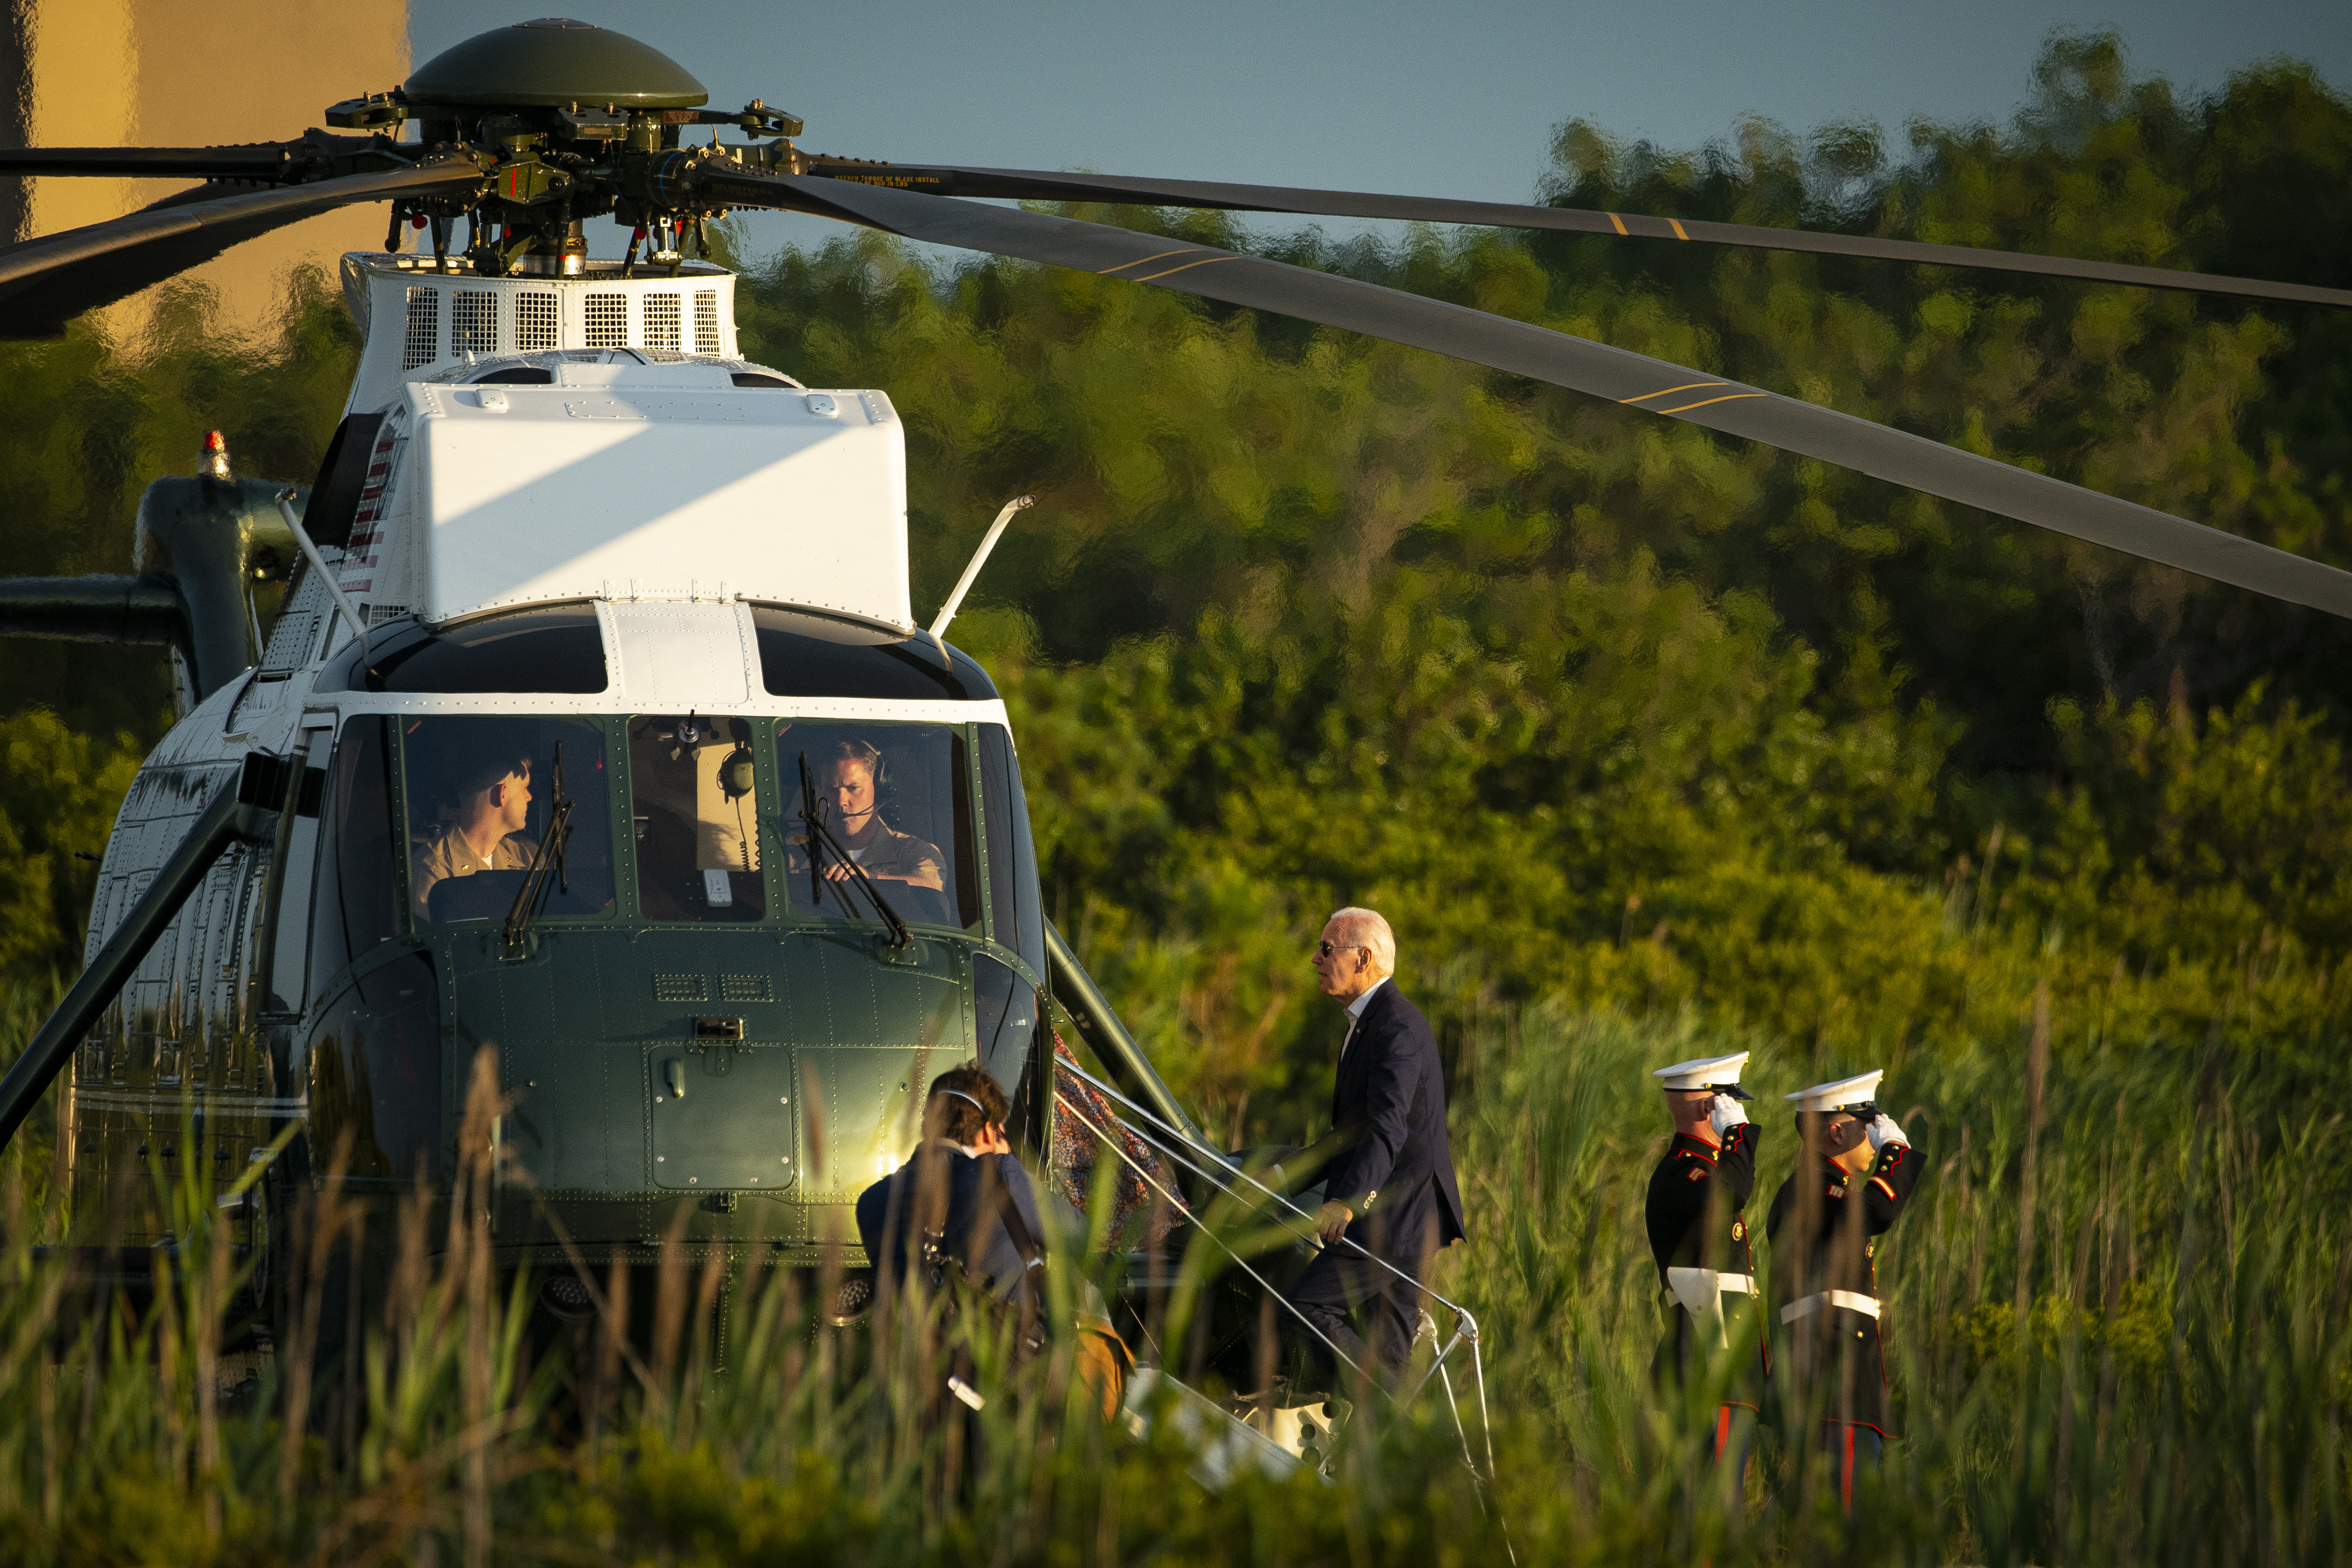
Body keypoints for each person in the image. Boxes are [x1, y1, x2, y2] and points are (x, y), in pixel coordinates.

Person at [1284, 907, 1466, 1394]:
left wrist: (1346, 1202)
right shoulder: (1368, 1023)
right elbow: (1351, 1131)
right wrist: (1284, 1176)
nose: (1314, 959)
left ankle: (1390, 1409)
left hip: (1395, 1219)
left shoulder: (1395, 1028)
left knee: (1303, 1306)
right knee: (1385, 1357)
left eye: (1326, 949)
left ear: (1362, 958)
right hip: (1404, 1222)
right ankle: (1384, 1450)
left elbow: (1387, 1129)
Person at [1765, 1069, 1922, 1512]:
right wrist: (1898, 1151)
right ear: (1836, 1131)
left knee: (1827, 1518)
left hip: (1833, 1380)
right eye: (1867, 1124)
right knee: (1844, 1524)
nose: (1874, 1138)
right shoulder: (1815, 1189)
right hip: (1835, 1383)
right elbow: (1880, 1209)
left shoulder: (1819, 1189)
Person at [1645, 1051, 1767, 1481]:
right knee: (1710, 1512)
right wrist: (1738, 1134)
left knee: (1715, 1506)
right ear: (1708, 1108)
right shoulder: (1685, 1173)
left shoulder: (1699, 1171)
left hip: (1720, 1359)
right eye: (1734, 1104)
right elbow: (1731, 1192)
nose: (1741, 1113)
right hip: (1706, 1358)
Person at [856, 1062, 1046, 1304]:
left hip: (916, 1341)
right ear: (989, 1131)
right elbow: (1085, 1233)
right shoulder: (1003, 1177)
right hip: (1005, 1340)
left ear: (927, 1127)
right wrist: (1006, 1160)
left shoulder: (872, 1202)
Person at [795, 738, 945, 891]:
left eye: (853, 788)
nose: (841, 801)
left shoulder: (915, 853)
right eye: (831, 790)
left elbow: (930, 888)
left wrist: (870, 878)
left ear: (879, 791)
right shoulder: (796, 854)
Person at [409, 747, 537, 920]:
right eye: (524, 787)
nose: (529, 797)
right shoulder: (434, 867)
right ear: (503, 794)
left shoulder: (524, 857)